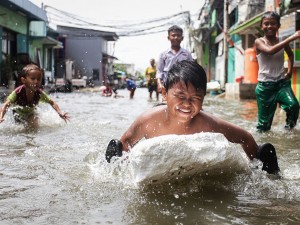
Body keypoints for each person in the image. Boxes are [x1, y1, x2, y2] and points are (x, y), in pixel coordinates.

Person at [105, 60, 280, 175]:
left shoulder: (208, 124)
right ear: (164, 94)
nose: (187, 104)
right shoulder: (149, 121)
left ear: (203, 99)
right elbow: (126, 143)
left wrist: (256, 168)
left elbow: (245, 138)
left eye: (195, 98)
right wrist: (124, 168)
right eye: (180, 97)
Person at [254, 11, 300, 132]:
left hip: (281, 84)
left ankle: (289, 131)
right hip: (265, 87)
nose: (269, 26)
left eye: (273, 23)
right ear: (261, 26)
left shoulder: (282, 40)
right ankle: (261, 144)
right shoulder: (259, 42)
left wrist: (289, 72)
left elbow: (290, 55)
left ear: (278, 26)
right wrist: (291, 37)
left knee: (293, 106)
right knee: (264, 126)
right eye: (266, 24)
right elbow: (270, 51)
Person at [0, 63, 70, 129]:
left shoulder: (39, 93)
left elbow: (52, 102)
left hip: (31, 113)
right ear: (23, 80)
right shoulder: (17, 92)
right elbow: (5, 105)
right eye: (33, 79)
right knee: (21, 130)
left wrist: (60, 113)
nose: (36, 81)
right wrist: (1, 116)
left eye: (39, 79)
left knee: (34, 126)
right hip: (18, 115)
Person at [156, 25, 193, 93]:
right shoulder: (163, 54)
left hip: (183, 88)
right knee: (166, 103)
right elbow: (159, 72)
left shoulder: (187, 54)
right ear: (168, 37)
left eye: (178, 35)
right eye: (173, 35)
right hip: (167, 87)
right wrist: (159, 84)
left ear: (182, 38)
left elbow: (191, 71)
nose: (176, 37)